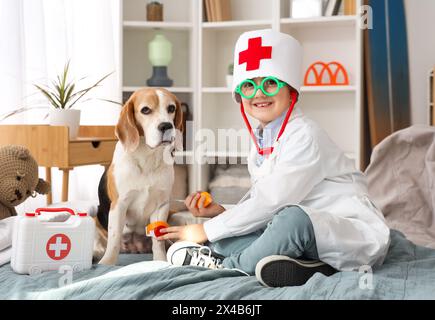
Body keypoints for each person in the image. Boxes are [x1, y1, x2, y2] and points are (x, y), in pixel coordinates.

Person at [158, 29, 391, 287]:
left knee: (290, 219)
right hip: (306, 236)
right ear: (240, 98)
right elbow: (265, 202)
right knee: (226, 236)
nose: (258, 93)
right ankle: (305, 265)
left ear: (291, 91)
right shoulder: (263, 139)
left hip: (345, 232)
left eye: (270, 82)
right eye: (248, 85)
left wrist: (204, 230)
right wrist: (221, 213)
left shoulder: (306, 135)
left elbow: (273, 201)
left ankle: (227, 268)